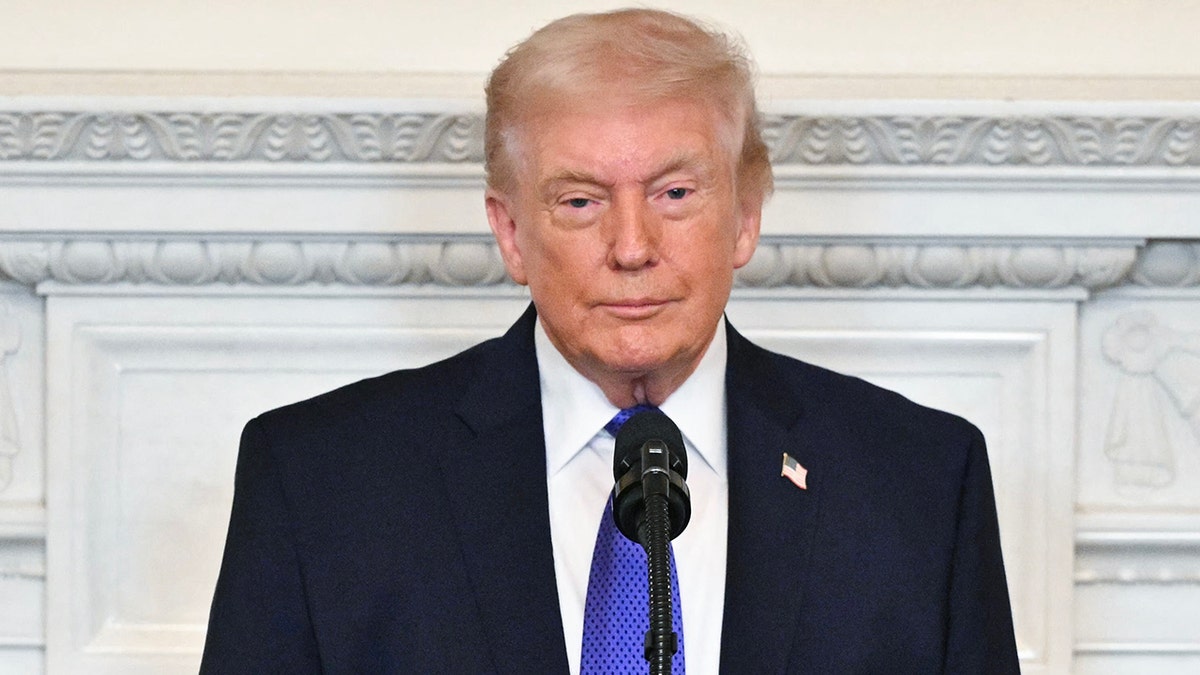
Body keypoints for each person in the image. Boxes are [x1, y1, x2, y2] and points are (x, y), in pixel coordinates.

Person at [201, 8, 1020, 674]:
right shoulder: (322, 484)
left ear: (745, 215)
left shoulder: (919, 483)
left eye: (674, 191)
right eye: (581, 202)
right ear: (511, 231)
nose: (633, 246)